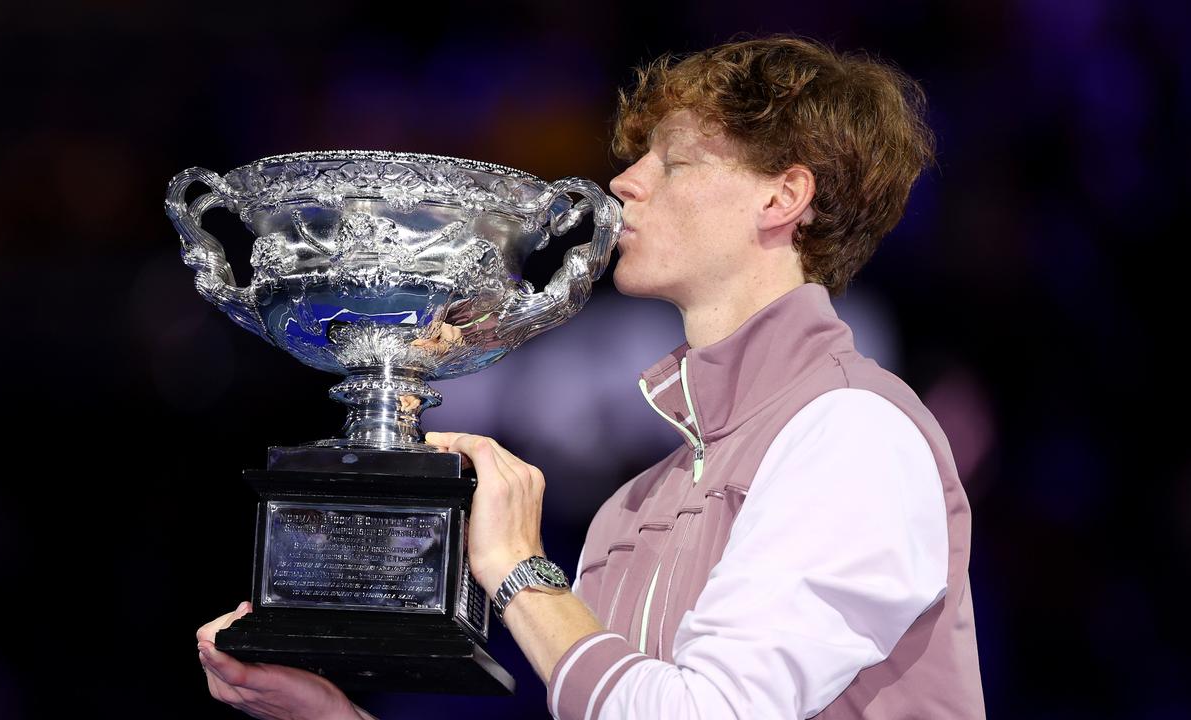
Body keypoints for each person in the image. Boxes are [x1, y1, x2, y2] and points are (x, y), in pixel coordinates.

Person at [197, 35, 986, 719]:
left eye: (674, 163)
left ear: (783, 196)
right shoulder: (633, 507)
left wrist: (518, 571)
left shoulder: (853, 432)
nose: (626, 185)